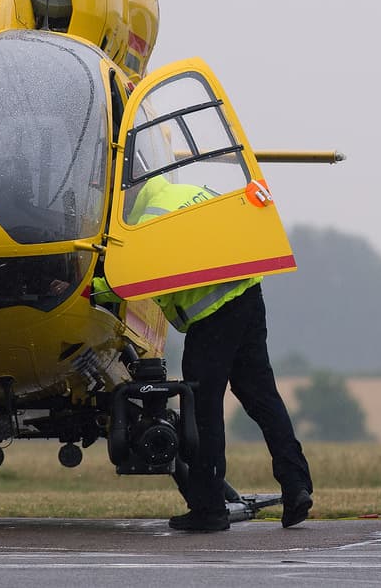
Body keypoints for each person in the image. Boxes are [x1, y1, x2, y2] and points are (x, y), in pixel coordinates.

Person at [97, 176, 314, 533]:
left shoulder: (148, 218)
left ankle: (209, 507)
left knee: (202, 410)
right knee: (264, 400)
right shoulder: (191, 193)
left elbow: (136, 274)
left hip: (212, 319)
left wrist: (93, 289)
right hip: (248, 295)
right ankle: (297, 486)